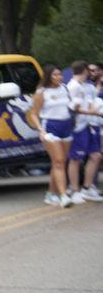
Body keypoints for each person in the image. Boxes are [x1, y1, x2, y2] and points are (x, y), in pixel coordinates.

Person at [28, 65, 74, 208]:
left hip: (66, 126)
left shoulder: (65, 88)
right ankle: (63, 195)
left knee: (60, 162)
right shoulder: (42, 92)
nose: (59, 77)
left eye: (60, 74)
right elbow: (34, 113)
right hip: (50, 127)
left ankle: (50, 194)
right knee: (59, 161)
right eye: (55, 75)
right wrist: (41, 130)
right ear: (49, 76)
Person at [66, 61, 103, 203]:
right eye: (89, 70)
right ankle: (75, 190)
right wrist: (91, 112)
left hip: (90, 124)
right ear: (84, 70)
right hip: (78, 126)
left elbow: (93, 98)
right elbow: (72, 108)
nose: (91, 73)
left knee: (95, 156)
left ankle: (87, 188)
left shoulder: (86, 86)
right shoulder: (72, 87)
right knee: (75, 158)